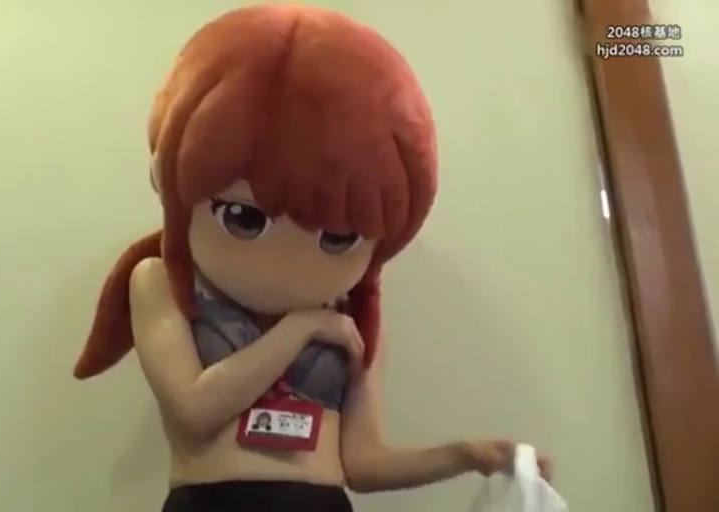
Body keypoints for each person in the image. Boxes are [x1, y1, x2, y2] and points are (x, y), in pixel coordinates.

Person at [74, 5, 551, 512]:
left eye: (338, 236)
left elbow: (363, 464)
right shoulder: (159, 281)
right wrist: (301, 329)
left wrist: (465, 455)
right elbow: (193, 411)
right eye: (244, 217)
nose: (287, 259)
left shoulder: (351, 313)